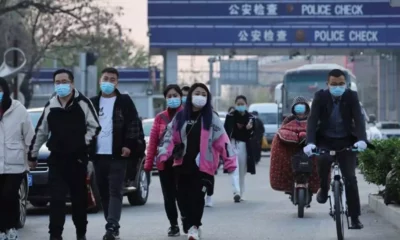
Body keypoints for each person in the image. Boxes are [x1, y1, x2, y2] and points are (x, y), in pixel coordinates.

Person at [28, 69, 101, 240]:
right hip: (57, 160)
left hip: (77, 160)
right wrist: (32, 155)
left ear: (72, 83)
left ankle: (81, 234)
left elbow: (95, 126)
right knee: (57, 201)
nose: (61, 85)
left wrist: (82, 143)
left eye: (64, 81)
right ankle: (55, 235)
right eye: (57, 82)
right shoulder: (51, 105)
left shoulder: (83, 103)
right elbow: (41, 132)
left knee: (79, 201)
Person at [157, 83, 236, 240]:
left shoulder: (211, 118)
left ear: (207, 98)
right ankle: (189, 225)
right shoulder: (180, 117)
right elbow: (169, 137)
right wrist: (163, 154)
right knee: (182, 198)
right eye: (197, 93)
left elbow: (223, 141)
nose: (200, 96)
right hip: (180, 165)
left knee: (197, 198)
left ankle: (194, 227)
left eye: (203, 94)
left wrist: (230, 161)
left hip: (203, 167)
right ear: (191, 96)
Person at [303, 69, 367, 229]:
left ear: (345, 84)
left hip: (346, 140)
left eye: (341, 84)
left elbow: (359, 119)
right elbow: (312, 121)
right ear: (328, 84)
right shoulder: (320, 97)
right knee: (323, 160)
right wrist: (310, 142)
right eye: (334, 84)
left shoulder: (351, 96)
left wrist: (361, 140)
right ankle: (323, 189)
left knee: (351, 179)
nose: (337, 87)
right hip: (325, 139)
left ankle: (354, 218)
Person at [89, 67, 143, 240]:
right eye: (106, 78)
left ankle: (111, 227)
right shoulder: (92, 103)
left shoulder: (124, 101)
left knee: (115, 191)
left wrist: (128, 145)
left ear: (117, 82)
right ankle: (112, 225)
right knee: (103, 192)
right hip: (98, 155)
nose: (109, 82)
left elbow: (134, 123)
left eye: (112, 79)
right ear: (100, 80)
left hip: (118, 155)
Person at [144, 84, 185, 236]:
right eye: (169, 96)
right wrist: (149, 164)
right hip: (164, 164)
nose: (173, 98)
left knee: (183, 194)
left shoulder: (187, 115)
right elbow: (153, 141)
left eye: (175, 95)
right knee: (169, 197)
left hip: (182, 163)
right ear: (165, 99)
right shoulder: (160, 118)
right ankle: (173, 225)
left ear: (181, 97)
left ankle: (186, 221)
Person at [0, 77, 35, 240]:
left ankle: (12, 228)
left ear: (5, 90)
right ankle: (2, 230)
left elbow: (29, 135)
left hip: (16, 164)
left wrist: (30, 156)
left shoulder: (18, 109)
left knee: (9, 195)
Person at [269, 97, 319, 203]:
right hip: (292, 152)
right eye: (298, 109)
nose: (300, 112)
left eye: (302, 109)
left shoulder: (312, 121)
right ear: (294, 110)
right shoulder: (288, 121)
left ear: (307, 109)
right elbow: (282, 132)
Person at [224, 95, 256, 202]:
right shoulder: (230, 116)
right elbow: (225, 131)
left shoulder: (250, 118)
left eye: (242, 104)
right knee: (234, 168)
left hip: (244, 146)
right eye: (238, 104)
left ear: (246, 105)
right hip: (232, 144)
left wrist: (249, 129)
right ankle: (236, 191)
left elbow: (253, 134)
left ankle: (241, 193)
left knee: (242, 170)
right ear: (235, 104)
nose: (240, 106)